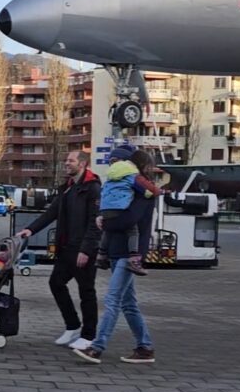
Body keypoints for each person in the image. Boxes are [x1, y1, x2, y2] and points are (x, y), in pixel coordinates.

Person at [19, 149, 101, 351]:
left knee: (86, 292)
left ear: (82, 164)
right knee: (56, 283)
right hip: (66, 248)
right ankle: (72, 325)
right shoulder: (68, 188)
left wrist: (87, 249)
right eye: (66, 160)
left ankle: (89, 335)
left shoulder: (93, 188)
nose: (66, 163)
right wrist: (30, 229)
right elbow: (51, 213)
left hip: (83, 249)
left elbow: (95, 223)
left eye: (70, 161)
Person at [72, 197, 156, 365]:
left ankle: (96, 348)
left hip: (128, 256)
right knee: (129, 304)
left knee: (112, 300)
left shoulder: (142, 194)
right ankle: (145, 348)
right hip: (116, 254)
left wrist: (105, 220)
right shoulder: (124, 192)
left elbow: (128, 220)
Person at [95, 145, 166, 275]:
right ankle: (134, 259)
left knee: (107, 229)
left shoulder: (110, 178)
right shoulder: (133, 176)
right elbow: (147, 192)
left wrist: (101, 214)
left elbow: (103, 194)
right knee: (133, 231)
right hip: (123, 248)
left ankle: (101, 255)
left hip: (106, 212)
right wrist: (157, 192)